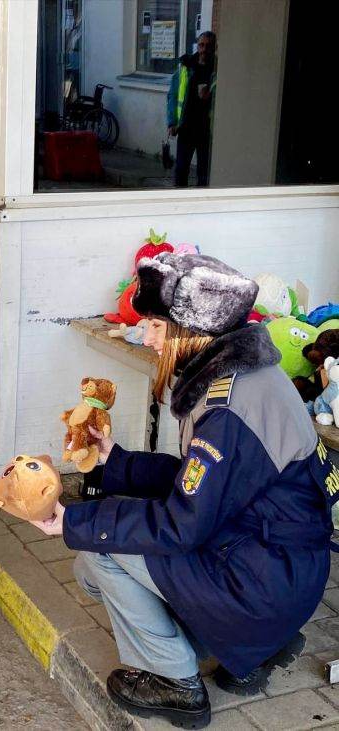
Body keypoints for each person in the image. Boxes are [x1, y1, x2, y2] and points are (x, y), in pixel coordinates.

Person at [32, 253, 335, 729]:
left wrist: (72, 520)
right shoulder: (246, 377)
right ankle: (245, 644)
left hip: (265, 583)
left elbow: (181, 524)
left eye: (154, 325)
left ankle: (175, 681)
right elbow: (206, 483)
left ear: (191, 329)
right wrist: (116, 460)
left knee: (98, 556)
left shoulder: (228, 409)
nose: (145, 337)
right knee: (97, 563)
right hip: (279, 570)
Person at [167, 31, 216, 187]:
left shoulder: (219, 69)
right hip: (186, 127)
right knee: (181, 170)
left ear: (214, 48)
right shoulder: (186, 67)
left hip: (207, 130)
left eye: (208, 46)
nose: (204, 49)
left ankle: (200, 205)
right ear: (197, 45)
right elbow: (173, 96)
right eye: (201, 45)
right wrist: (171, 122)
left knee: (204, 173)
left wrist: (211, 96)